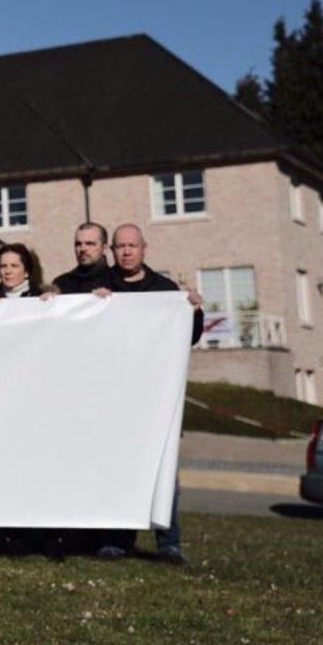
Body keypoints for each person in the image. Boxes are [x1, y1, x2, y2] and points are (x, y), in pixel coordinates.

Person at [92, 223, 204, 565]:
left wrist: (194, 311)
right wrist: (92, 306)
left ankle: (168, 543)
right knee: (116, 471)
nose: (126, 252)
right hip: (113, 401)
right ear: (111, 251)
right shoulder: (99, 288)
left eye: (132, 246)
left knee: (163, 474)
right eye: (119, 247)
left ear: (144, 248)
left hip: (156, 402)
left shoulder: (164, 290)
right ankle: (116, 539)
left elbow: (188, 336)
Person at [52, 222, 111, 294]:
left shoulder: (117, 283)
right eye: (78, 244)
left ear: (104, 248)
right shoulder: (61, 284)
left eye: (90, 243)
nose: (82, 249)